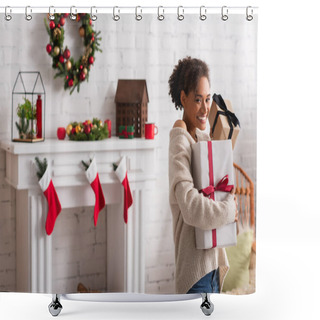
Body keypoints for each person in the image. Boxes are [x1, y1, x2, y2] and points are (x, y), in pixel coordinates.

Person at [168, 56, 238, 294]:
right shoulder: (180, 139)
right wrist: (229, 211)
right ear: (183, 97)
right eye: (198, 99)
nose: (205, 108)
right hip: (195, 274)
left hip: (213, 268)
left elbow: (218, 188)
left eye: (208, 99)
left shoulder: (203, 139)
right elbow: (190, 206)